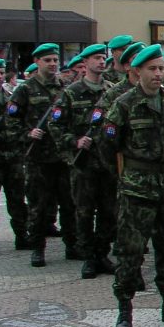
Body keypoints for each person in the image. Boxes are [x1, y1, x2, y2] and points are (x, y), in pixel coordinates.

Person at [101, 44, 164, 327]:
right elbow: (107, 146)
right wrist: (127, 177)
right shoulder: (123, 104)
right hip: (137, 190)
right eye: (152, 69)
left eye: (160, 68)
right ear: (136, 71)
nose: (158, 74)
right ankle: (125, 309)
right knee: (131, 252)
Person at [9, 42, 79, 267]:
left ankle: (72, 245)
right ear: (37, 62)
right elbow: (11, 121)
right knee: (39, 206)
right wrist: (27, 133)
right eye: (47, 60)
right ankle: (37, 248)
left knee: (69, 205)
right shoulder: (25, 89)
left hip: (62, 157)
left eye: (55, 60)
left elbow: (72, 119)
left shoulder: (65, 88)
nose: (52, 64)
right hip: (38, 158)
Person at [52, 43, 116, 279]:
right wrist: (74, 140)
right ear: (85, 62)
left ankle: (102, 253)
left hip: (107, 163)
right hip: (84, 164)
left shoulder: (112, 90)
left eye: (103, 58)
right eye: (97, 58)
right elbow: (55, 125)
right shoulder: (72, 92)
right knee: (85, 212)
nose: (101, 62)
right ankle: (89, 257)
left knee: (110, 212)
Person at [0, 58, 31, 249]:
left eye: (1, 73)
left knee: (17, 199)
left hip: (13, 156)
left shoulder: (12, 96)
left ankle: (21, 235)